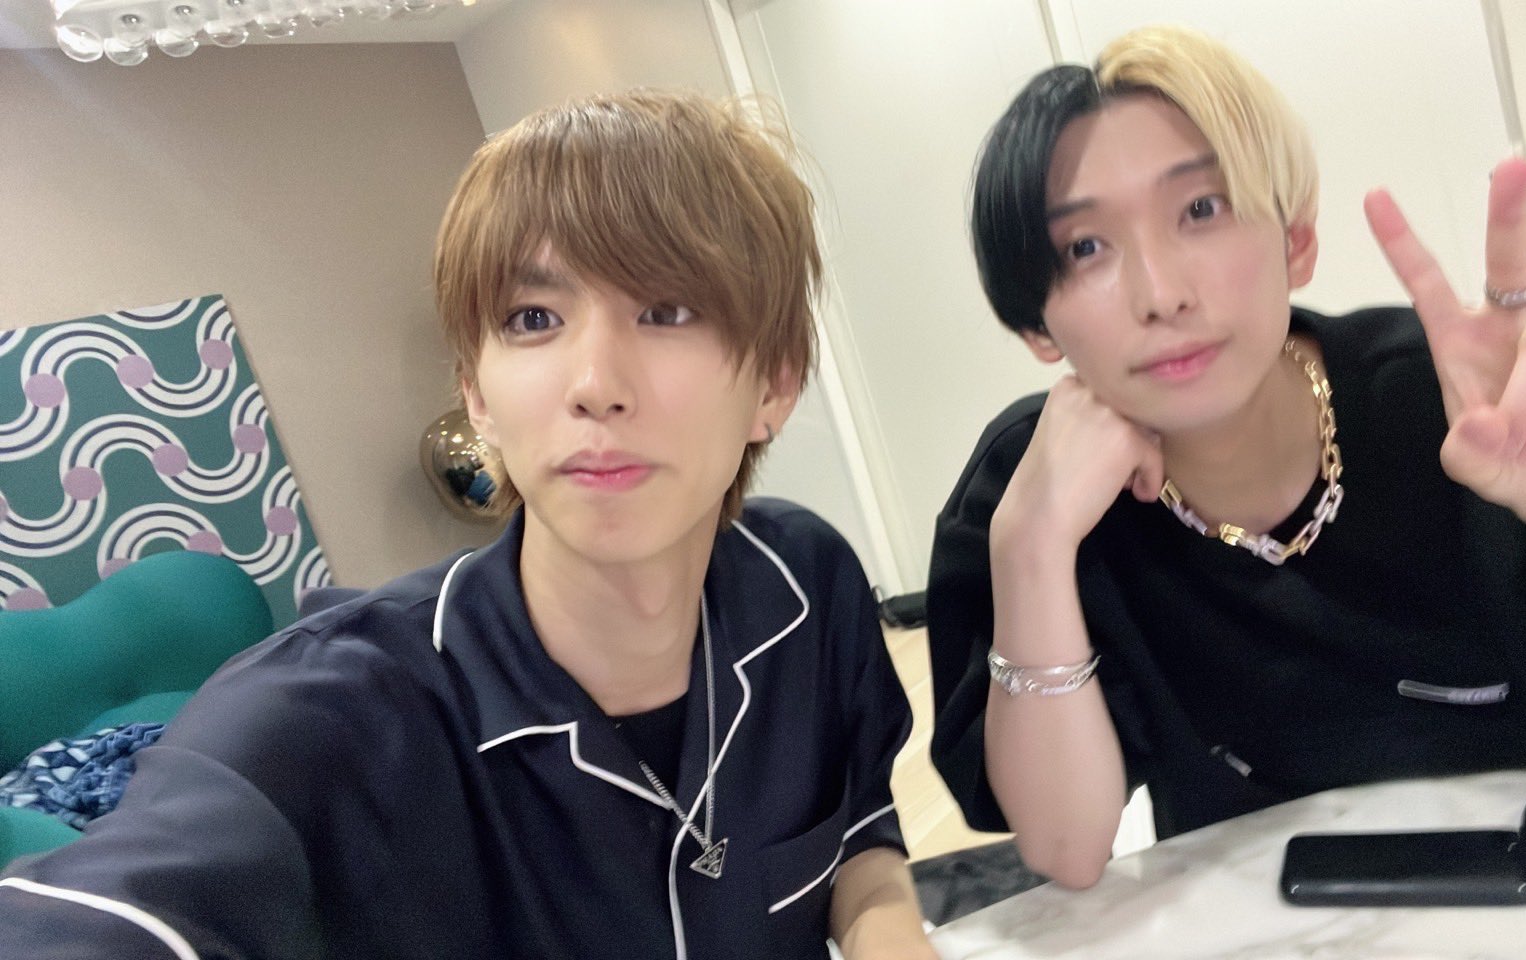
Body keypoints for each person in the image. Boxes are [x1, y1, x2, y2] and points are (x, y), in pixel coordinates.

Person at [0, 90, 936, 959]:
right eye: (533, 318)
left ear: (774, 382)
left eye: (667, 310)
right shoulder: (323, 718)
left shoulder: (805, 579)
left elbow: (856, 831)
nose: (595, 385)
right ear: (476, 394)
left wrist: (890, 933)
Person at [927, 24, 1526, 890]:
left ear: (1294, 241)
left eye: (1201, 209)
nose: (1160, 294)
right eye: (1084, 248)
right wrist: (1032, 548)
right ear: (1036, 325)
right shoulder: (1032, 491)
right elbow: (1066, 850)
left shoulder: (1477, 410)